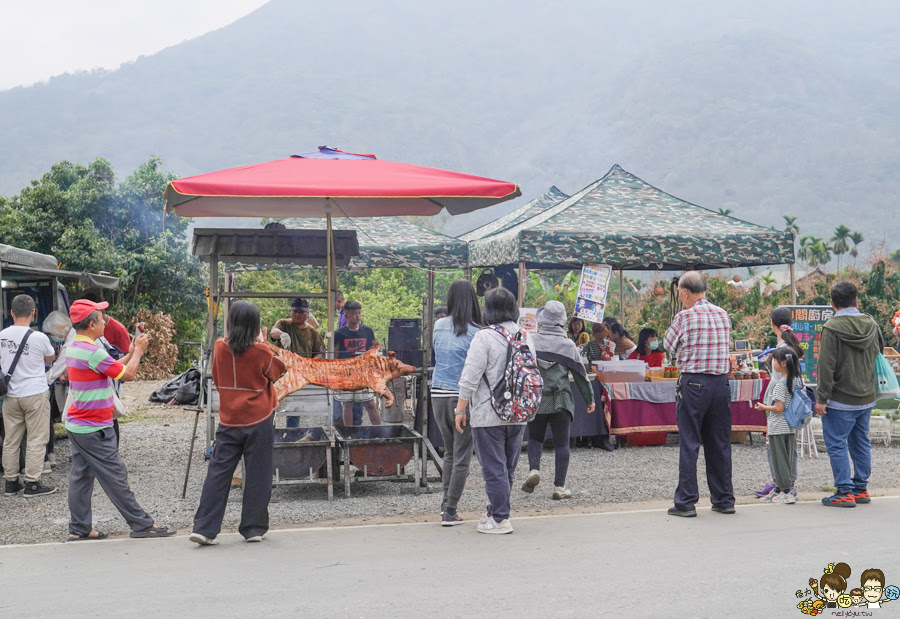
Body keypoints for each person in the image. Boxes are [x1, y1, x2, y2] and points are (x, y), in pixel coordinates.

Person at [65, 298, 175, 540]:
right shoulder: (93, 351)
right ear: (92, 324)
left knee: (81, 476)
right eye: (102, 317)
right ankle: (142, 524)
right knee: (115, 475)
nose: (106, 321)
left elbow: (112, 368)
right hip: (94, 427)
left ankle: (79, 528)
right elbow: (129, 374)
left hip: (78, 424)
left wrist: (131, 352)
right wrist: (139, 352)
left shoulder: (76, 347)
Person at [191, 301, 286, 546]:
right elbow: (278, 371)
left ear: (231, 323)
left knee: (218, 472)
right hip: (259, 418)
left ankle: (204, 528)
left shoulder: (220, 347)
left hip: (229, 418)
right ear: (255, 325)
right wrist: (263, 341)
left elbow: (217, 376)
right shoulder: (262, 351)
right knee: (258, 473)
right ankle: (253, 528)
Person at [456, 287, 535, 534]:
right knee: (506, 468)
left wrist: (460, 409)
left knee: (493, 468)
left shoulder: (484, 336)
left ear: (488, 310)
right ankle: (494, 510)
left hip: (488, 414)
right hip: (519, 412)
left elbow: (469, 376)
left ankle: (501, 519)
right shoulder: (525, 335)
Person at [663, 271, 734, 518]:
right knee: (720, 443)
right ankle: (724, 499)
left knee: (690, 442)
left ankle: (686, 502)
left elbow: (668, 345)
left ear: (684, 292)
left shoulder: (684, 316)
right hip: (721, 384)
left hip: (694, 384)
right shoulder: (723, 314)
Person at [815, 281, 884, 507]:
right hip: (866, 397)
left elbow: (825, 366)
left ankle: (844, 491)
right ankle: (861, 489)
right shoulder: (872, 324)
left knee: (836, 444)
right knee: (861, 442)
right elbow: (879, 353)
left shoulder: (832, 328)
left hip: (840, 399)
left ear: (832, 303)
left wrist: (821, 399)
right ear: (856, 300)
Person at [523, 301, 595, 500]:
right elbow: (580, 375)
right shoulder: (568, 345)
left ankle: (534, 469)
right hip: (561, 399)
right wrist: (590, 399)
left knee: (535, 438)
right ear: (562, 322)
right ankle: (559, 486)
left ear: (543, 320)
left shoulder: (531, 341)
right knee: (562, 443)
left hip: (537, 398)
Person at [431, 280, 482, 526]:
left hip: (437, 395)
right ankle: (450, 511)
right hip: (461, 398)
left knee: (450, 453)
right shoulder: (477, 332)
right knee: (462, 455)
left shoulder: (438, 326)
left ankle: (445, 506)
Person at [1, 295, 57, 498]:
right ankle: (32, 483)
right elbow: (50, 357)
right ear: (33, 312)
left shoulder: (2, 336)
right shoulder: (39, 337)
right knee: (36, 438)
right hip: (34, 393)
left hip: (10, 395)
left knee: (11, 440)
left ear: (12, 313)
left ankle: (11, 483)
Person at [754, 306, 805, 499]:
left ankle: (782, 485)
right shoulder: (792, 347)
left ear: (772, 324)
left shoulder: (782, 352)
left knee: (776, 447)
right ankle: (786, 484)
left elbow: (777, 382)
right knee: (788, 447)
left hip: (779, 405)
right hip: (791, 405)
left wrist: (765, 405)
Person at [270, 297, 325, 428]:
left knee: (294, 407)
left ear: (307, 313)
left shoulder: (312, 332)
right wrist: (282, 335)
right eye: (295, 311)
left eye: (301, 312)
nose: (297, 314)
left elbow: (321, 353)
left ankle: (291, 434)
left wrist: (309, 363)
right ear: (291, 312)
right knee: (272, 404)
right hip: (280, 373)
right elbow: (273, 332)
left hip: (300, 375)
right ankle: (270, 431)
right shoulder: (284, 324)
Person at [334, 301, 381, 426]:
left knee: (370, 403)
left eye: (359, 313)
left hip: (363, 373)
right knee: (347, 404)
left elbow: (373, 349)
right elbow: (335, 355)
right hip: (346, 374)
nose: (358, 316)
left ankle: (379, 431)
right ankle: (348, 434)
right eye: (354, 314)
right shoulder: (339, 334)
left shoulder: (367, 331)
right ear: (346, 315)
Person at [43, 310, 74, 471]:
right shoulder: (73, 336)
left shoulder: (70, 344)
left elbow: (55, 371)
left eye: (51, 333)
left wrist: (38, 381)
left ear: (59, 330)